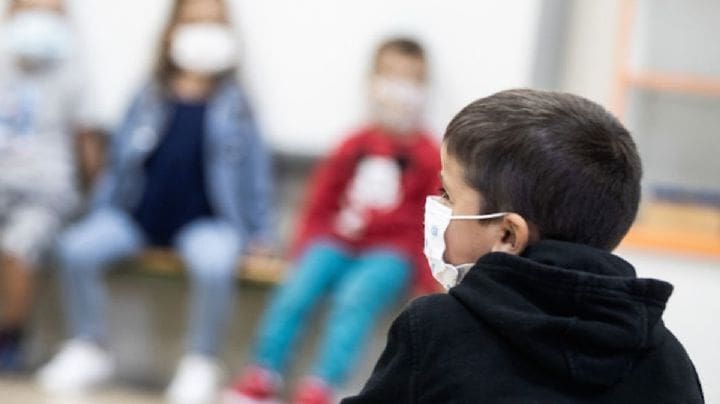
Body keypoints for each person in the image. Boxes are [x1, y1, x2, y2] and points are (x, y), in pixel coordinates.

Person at [342, 89, 705, 403]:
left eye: (447, 194)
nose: (436, 207)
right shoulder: (667, 358)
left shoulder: (435, 330)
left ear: (507, 236)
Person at [35, 0, 273, 402]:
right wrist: (100, 212)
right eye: (193, 23)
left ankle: (201, 360)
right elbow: (118, 162)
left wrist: (260, 234)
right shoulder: (149, 94)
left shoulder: (237, 105)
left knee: (216, 264)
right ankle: (89, 345)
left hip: (205, 223)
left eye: (214, 24)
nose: (203, 33)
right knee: (75, 249)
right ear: (171, 32)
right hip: (137, 217)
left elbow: (255, 175)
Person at [225, 38, 441, 404]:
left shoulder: (429, 154)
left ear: (424, 88)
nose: (400, 88)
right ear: (372, 82)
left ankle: (323, 385)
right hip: (336, 240)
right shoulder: (353, 143)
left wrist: (426, 277)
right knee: (296, 289)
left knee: (355, 297)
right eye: (390, 76)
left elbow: (431, 219)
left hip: (391, 252)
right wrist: (302, 249)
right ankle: (263, 373)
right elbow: (320, 201)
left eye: (410, 79)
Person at [0, 0, 99, 372]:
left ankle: (9, 339)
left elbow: (87, 139)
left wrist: (100, 199)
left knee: (19, 247)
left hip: (45, 188)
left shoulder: (74, 71)